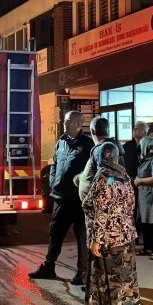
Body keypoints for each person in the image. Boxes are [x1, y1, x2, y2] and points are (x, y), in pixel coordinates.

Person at [29, 111, 94, 286]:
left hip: (79, 199)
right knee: (55, 232)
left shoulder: (88, 144)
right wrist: (53, 183)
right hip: (61, 197)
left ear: (78, 124)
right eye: (64, 121)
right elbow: (55, 164)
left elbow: (92, 170)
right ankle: (48, 267)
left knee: (81, 235)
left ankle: (82, 272)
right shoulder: (61, 142)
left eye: (67, 121)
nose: (64, 123)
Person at [82, 142, 145, 305]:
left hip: (108, 239)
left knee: (109, 279)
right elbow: (131, 205)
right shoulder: (125, 176)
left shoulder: (103, 177)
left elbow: (101, 209)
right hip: (126, 236)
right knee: (126, 276)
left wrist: (96, 239)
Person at [77, 116, 127, 203]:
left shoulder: (103, 149)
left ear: (92, 131)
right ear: (108, 130)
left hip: (100, 204)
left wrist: (105, 194)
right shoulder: (111, 146)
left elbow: (109, 176)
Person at [134, 136, 153, 260]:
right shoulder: (145, 160)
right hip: (145, 197)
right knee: (146, 224)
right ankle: (147, 248)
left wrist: (140, 181)